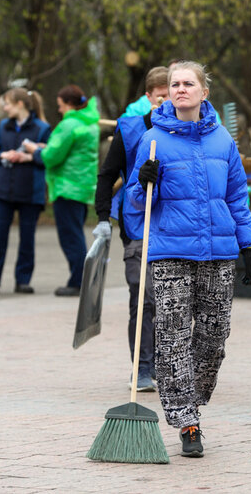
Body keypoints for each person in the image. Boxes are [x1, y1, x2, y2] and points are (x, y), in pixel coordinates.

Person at [125, 61, 251, 458]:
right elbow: (134, 203)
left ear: (204, 91)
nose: (180, 89)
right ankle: (187, 421)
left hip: (219, 252)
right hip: (171, 253)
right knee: (172, 336)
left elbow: (236, 196)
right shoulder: (153, 140)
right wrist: (144, 182)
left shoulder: (223, 141)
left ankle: (189, 398)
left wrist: (248, 245)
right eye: (174, 84)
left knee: (214, 337)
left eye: (188, 83)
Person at [94, 66, 169, 392]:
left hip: (175, 227)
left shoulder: (190, 129)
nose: (166, 101)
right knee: (144, 298)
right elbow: (107, 175)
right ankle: (142, 368)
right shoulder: (130, 129)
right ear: (150, 96)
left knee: (173, 302)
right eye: (162, 95)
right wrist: (101, 218)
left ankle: (172, 366)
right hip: (138, 225)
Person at [0, 89, 51, 295]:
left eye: (6, 104)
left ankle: (23, 281)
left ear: (20, 104)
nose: (4, 108)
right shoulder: (3, 127)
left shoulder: (42, 128)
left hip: (30, 192)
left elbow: (49, 159)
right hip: (3, 191)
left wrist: (29, 157)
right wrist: (4, 155)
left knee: (27, 238)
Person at [24, 85, 99, 296]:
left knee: (70, 238)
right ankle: (82, 279)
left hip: (66, 187)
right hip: (82, 187)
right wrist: (45, 148)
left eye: (59, 106)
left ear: (67, 104)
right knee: (76, 234)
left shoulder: (69, 124)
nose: (58, 110)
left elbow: (52, 157)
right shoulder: (90, 123)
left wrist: (35, 151)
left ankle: (78, 282)